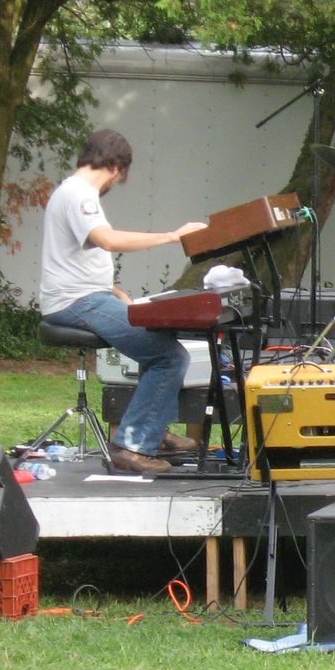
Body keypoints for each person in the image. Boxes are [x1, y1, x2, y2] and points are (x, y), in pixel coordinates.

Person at [38, 130, 209, 475]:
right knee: (170, 356)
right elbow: (107, 240)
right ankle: (132, 446)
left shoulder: (71, 191)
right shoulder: (80, 195)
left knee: (156, 342)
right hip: (78, 302)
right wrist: (173, 236)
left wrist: (112, 290)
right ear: (116, 167)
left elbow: (75, 258)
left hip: (85, 296)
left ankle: (152, 432)